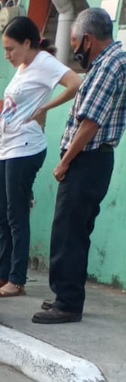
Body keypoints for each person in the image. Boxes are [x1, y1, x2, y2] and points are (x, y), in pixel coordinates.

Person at [33, 8, 126, 324]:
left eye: (74, 43)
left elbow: (90, 123)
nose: (74, 50)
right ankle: (66, 294)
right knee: (74, 231)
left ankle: (68, 303)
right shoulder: (111, 62)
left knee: (68, 232)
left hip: (87, 159)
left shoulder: (109, 65)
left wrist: (65, 162)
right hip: (93, 160)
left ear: (87, 39)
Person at [0, 17, 81, 298]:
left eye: (10, 49)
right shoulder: (23, 67)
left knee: (16, 215)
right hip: (6, 148)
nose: (7, 55)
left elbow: (75, 83)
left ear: (27, 43)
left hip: (25, 148)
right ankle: (2, 273)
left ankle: (16, 279)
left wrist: (46, 107)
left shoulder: (43, 62)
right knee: (1, 215)